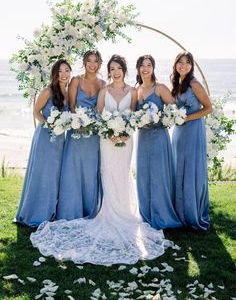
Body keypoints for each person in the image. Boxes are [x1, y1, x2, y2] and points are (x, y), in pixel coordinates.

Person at [30, 54, 172, 265]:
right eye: (112, 69)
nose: (115, 72)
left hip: (126, 140)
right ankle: (106, 212)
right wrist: (109, 132)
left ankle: (123, 212)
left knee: (122, 174)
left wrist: (125, 133)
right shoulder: (103, 91)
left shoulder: (133, 92)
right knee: (107, 173)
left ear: (124, 70)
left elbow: (133, 117)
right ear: (109, 71)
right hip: (106, 140)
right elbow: (98, 116)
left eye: (119, 68)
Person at [15, 59, 72, 227]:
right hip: (45, 138)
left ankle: (50, 212)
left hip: (60, 140)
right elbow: (36, 112)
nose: (63, 74)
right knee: (41, 174)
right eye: (60, 71)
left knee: (54, 176)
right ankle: (34, 212)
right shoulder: (48, 91)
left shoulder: (69, 93)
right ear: (55, 73)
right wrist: (49, 124)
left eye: (66, 70)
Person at [56, 50, 105, 220]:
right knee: (74, 170)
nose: (92, 64)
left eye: (96, 61)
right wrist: (79, 122)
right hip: (77, 132)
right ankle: (71, 210)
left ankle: (89, 209)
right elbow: (71, 106)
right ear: (84, 63)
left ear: (99, 63)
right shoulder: (76, 80)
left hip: (93, 136)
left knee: (90, 171)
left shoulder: (103, 84)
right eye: (89, 60)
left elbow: (101, 109)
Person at [136, 55, 182, 230]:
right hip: (142, 139)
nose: (145, 69)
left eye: (149, 65)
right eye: (142, 65)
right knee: (144, 175)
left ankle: (162, 213)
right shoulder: (137, 90)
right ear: (138, 69)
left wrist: (159, 119)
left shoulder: (160, 88)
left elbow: (174, 112)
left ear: (153, 68)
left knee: (158, 176)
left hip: (158, 137)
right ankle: (146, 213)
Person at [171, 51, 212, 230]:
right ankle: (179, 210)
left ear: (191, 65)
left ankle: (192, 211)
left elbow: (208, 108)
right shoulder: (175, 81)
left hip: (193, 130)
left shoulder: (194, 84)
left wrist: (188, 118)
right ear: (175, 64)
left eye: (187, 62)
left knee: (191, 168)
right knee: (178, 165)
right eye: (180, 62)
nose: (183, 65)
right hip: (179, 131)